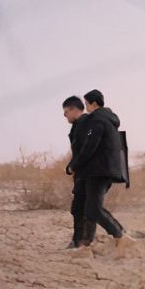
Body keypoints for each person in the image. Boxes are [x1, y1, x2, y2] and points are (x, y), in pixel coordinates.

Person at [67, 89, 134, 250]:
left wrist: (73, 165)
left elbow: (91, 144)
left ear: (93, 103)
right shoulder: (107, 120)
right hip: (103, 170)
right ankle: (87, 242)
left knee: (93, 209)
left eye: (86, 104)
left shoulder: (97, 120)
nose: (86, 108)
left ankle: (121, 235)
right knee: (91, 208)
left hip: (98, 171)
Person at [62, 96, 96, 249]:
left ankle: (82, 242)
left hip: (88, 173)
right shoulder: (81, 124)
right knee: (81, 208)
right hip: (84, 172)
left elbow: (86, 149)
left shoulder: (84, 123)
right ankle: (81, 241)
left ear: (74, 109)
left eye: (65, 112)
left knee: (83, 208)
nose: (65, 116)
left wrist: (73, 166)